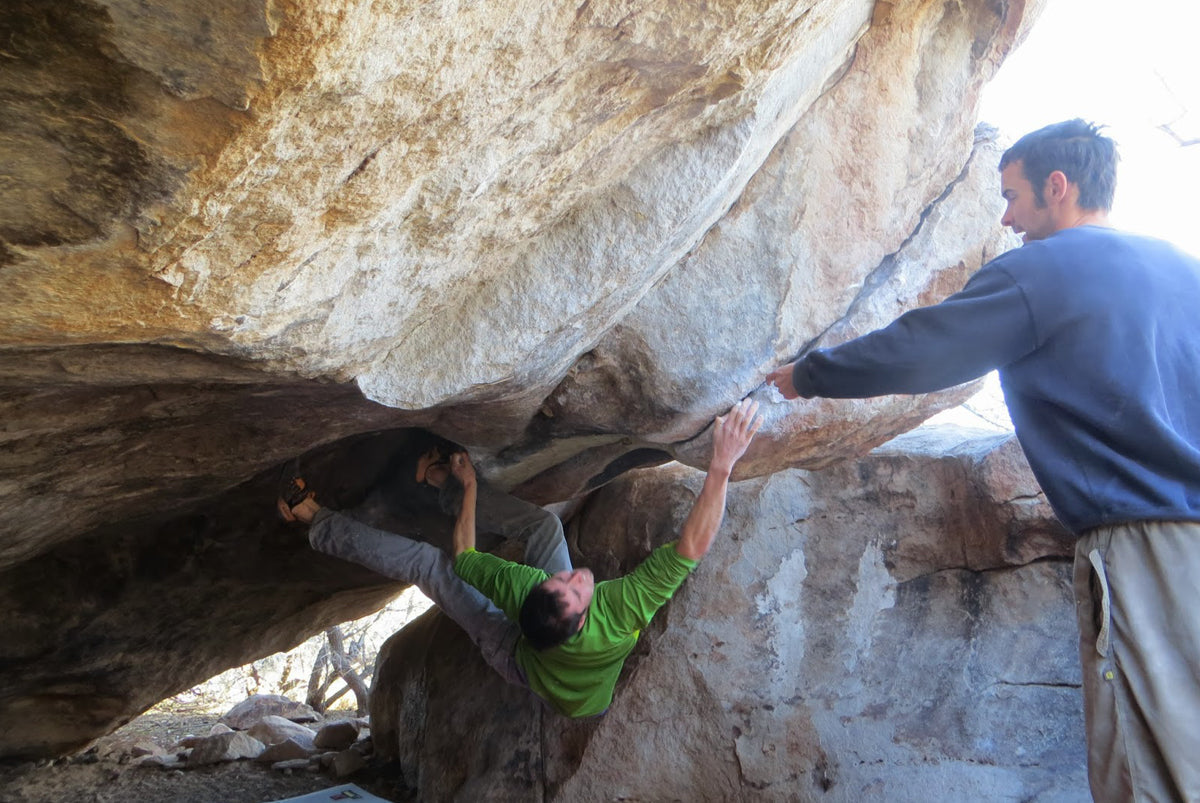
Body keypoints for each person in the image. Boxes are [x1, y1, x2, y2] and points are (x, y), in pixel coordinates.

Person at [766, 119, 1200, 802]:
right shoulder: (1184, 271)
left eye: (1012, 196)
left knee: (1148, 767)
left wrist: (808, 375)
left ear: (1057, 187)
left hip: (1147, 552)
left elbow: (925, 348)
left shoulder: (1045, 269)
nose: (1006, 218)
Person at [279, 399, 763, 718]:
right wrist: (722, 465)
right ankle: (431, 485)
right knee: (528, 533)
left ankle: (317, 519)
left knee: (436, 561)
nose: (577, 575)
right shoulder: (600, 608)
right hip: (575, 685)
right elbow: (691, 547)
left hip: (512, 655)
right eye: (570, 584)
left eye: (568, 583)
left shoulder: (541, 596)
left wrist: (470, 486)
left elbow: (463, 556)